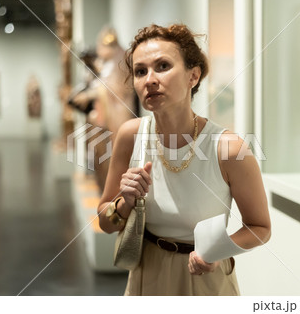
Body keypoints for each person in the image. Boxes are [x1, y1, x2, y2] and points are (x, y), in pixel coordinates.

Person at [98, 24, 271, 296]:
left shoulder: (227, 148)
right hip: (147, 273)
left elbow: (260, 227)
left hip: (204, 275)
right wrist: (125, 201)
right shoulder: (131, 135)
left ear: (193, 76)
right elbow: (105, 222)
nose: (150, 79)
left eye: (163, 66)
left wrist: (216, 252)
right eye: (140, 71)